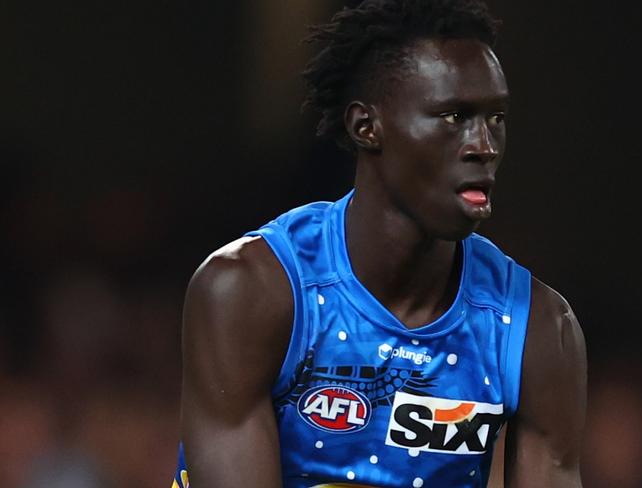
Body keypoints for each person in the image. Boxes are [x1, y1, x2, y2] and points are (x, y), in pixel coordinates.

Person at [172, 1, 587, 487]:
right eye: (454, 116)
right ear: (366, 127)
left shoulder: (537, 328)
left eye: (495, 118)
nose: (484, 146)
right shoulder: (252, 291)